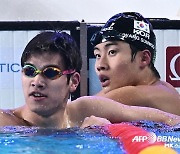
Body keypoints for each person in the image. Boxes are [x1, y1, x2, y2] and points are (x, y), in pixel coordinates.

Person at [0, 31, 179, 129]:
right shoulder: (5, 123)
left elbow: (171, 121)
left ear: (74, 81)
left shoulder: (85, 109)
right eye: (30, 71)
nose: (36, 81)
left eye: (50, 73)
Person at [88, 12, 180, 115]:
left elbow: (75, 111)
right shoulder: (162, 88)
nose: (100, 65)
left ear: (143, 58)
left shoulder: (144, 94)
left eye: (112, 52)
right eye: (98, 55)